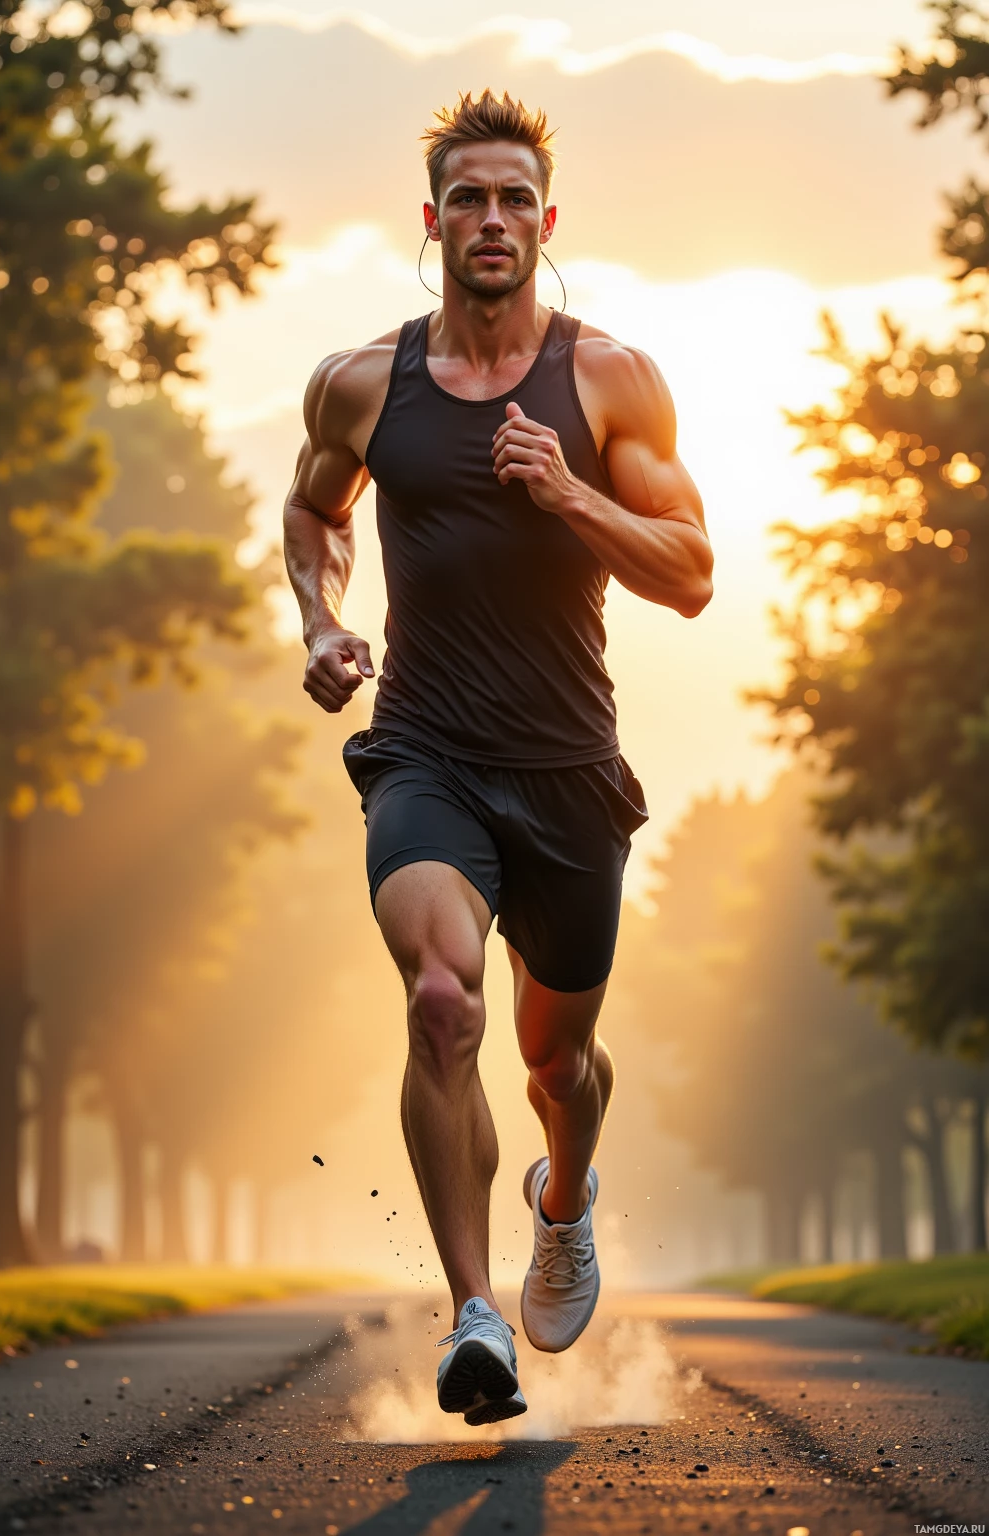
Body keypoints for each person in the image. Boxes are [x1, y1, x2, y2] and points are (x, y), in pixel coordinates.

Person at [283, 89, 711, 1426]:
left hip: (570, 771)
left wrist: (571, 492)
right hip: (425, 753)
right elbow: (312, 510)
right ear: (433, 222)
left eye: (513, 198)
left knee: (551, 1067)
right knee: (440, 1000)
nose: (491, 219)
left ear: (546, 223)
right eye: (467, 198)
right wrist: (320, 617)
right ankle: (475, 1317)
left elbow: (693, 575)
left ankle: (564, 1198)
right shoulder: (366, 382)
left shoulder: (610, 379)